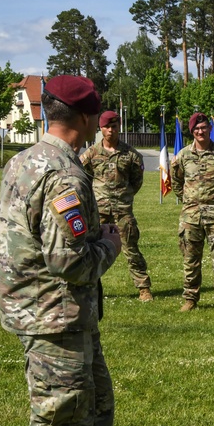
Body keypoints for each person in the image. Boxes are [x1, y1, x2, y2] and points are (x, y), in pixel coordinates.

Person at [0, 75, 129, 426]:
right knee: (61, 424)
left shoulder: (24, 159)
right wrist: (109, 244)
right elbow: (67, 261)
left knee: (96, 407)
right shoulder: (63, 174)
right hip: (54, 317)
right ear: (89, 119)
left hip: (59, 315)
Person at [172, 112, 214, 312]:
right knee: (190, 260)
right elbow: (176, 181)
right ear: (192, 131)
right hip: (190, 215)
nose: (200, 131)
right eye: (196, 128)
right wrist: (189, 201)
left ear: (210, 129)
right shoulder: (183, 156)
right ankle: (190, 299)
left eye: (204, 127)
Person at [80, 110, 152, 301]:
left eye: (114, 126)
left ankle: (144, 288)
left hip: (123, 211)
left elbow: (136, 181)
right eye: (106, 127)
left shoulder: (131, 155)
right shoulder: (91, 154)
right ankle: (89, 287)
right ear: (100, 128)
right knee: (91, 249)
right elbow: (82, 179)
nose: (110, 130)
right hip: (99, 212)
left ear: (119, 127)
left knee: (131, 248)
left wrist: (124, 197)